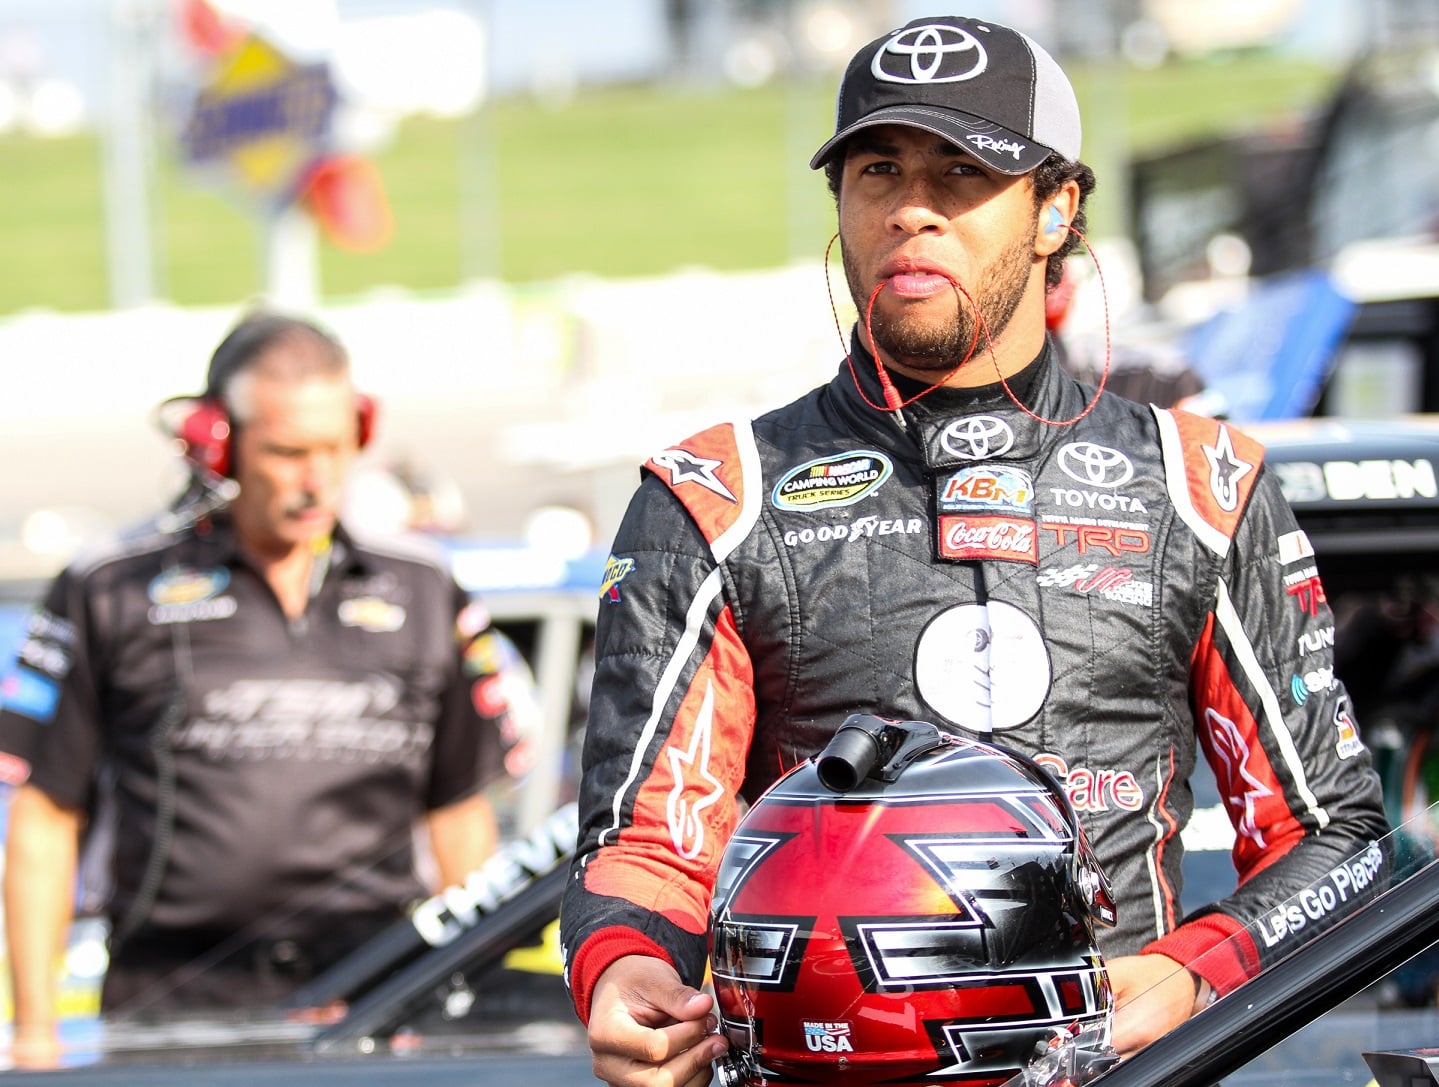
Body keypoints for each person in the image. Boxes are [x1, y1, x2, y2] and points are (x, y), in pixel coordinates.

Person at [557, 15, 1390, 1087]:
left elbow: (1336, 836)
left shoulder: (1202, 486)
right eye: (879, 169)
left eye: (963, 171)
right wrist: (625, 965)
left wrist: (1195, 971)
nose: (912, 208)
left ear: (1056, 207)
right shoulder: (715, 497)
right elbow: (649, 845)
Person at [0, 310, 513, 1066]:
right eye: (288, 452)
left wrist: (469, 1011)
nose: (318, 479)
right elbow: (45, 817)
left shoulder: (426, 590)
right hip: (168, 1015)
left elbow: (461, 816)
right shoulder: (108, 589)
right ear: (216, 442)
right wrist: (36, 1031)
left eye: (338, 449)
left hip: (378, 999)